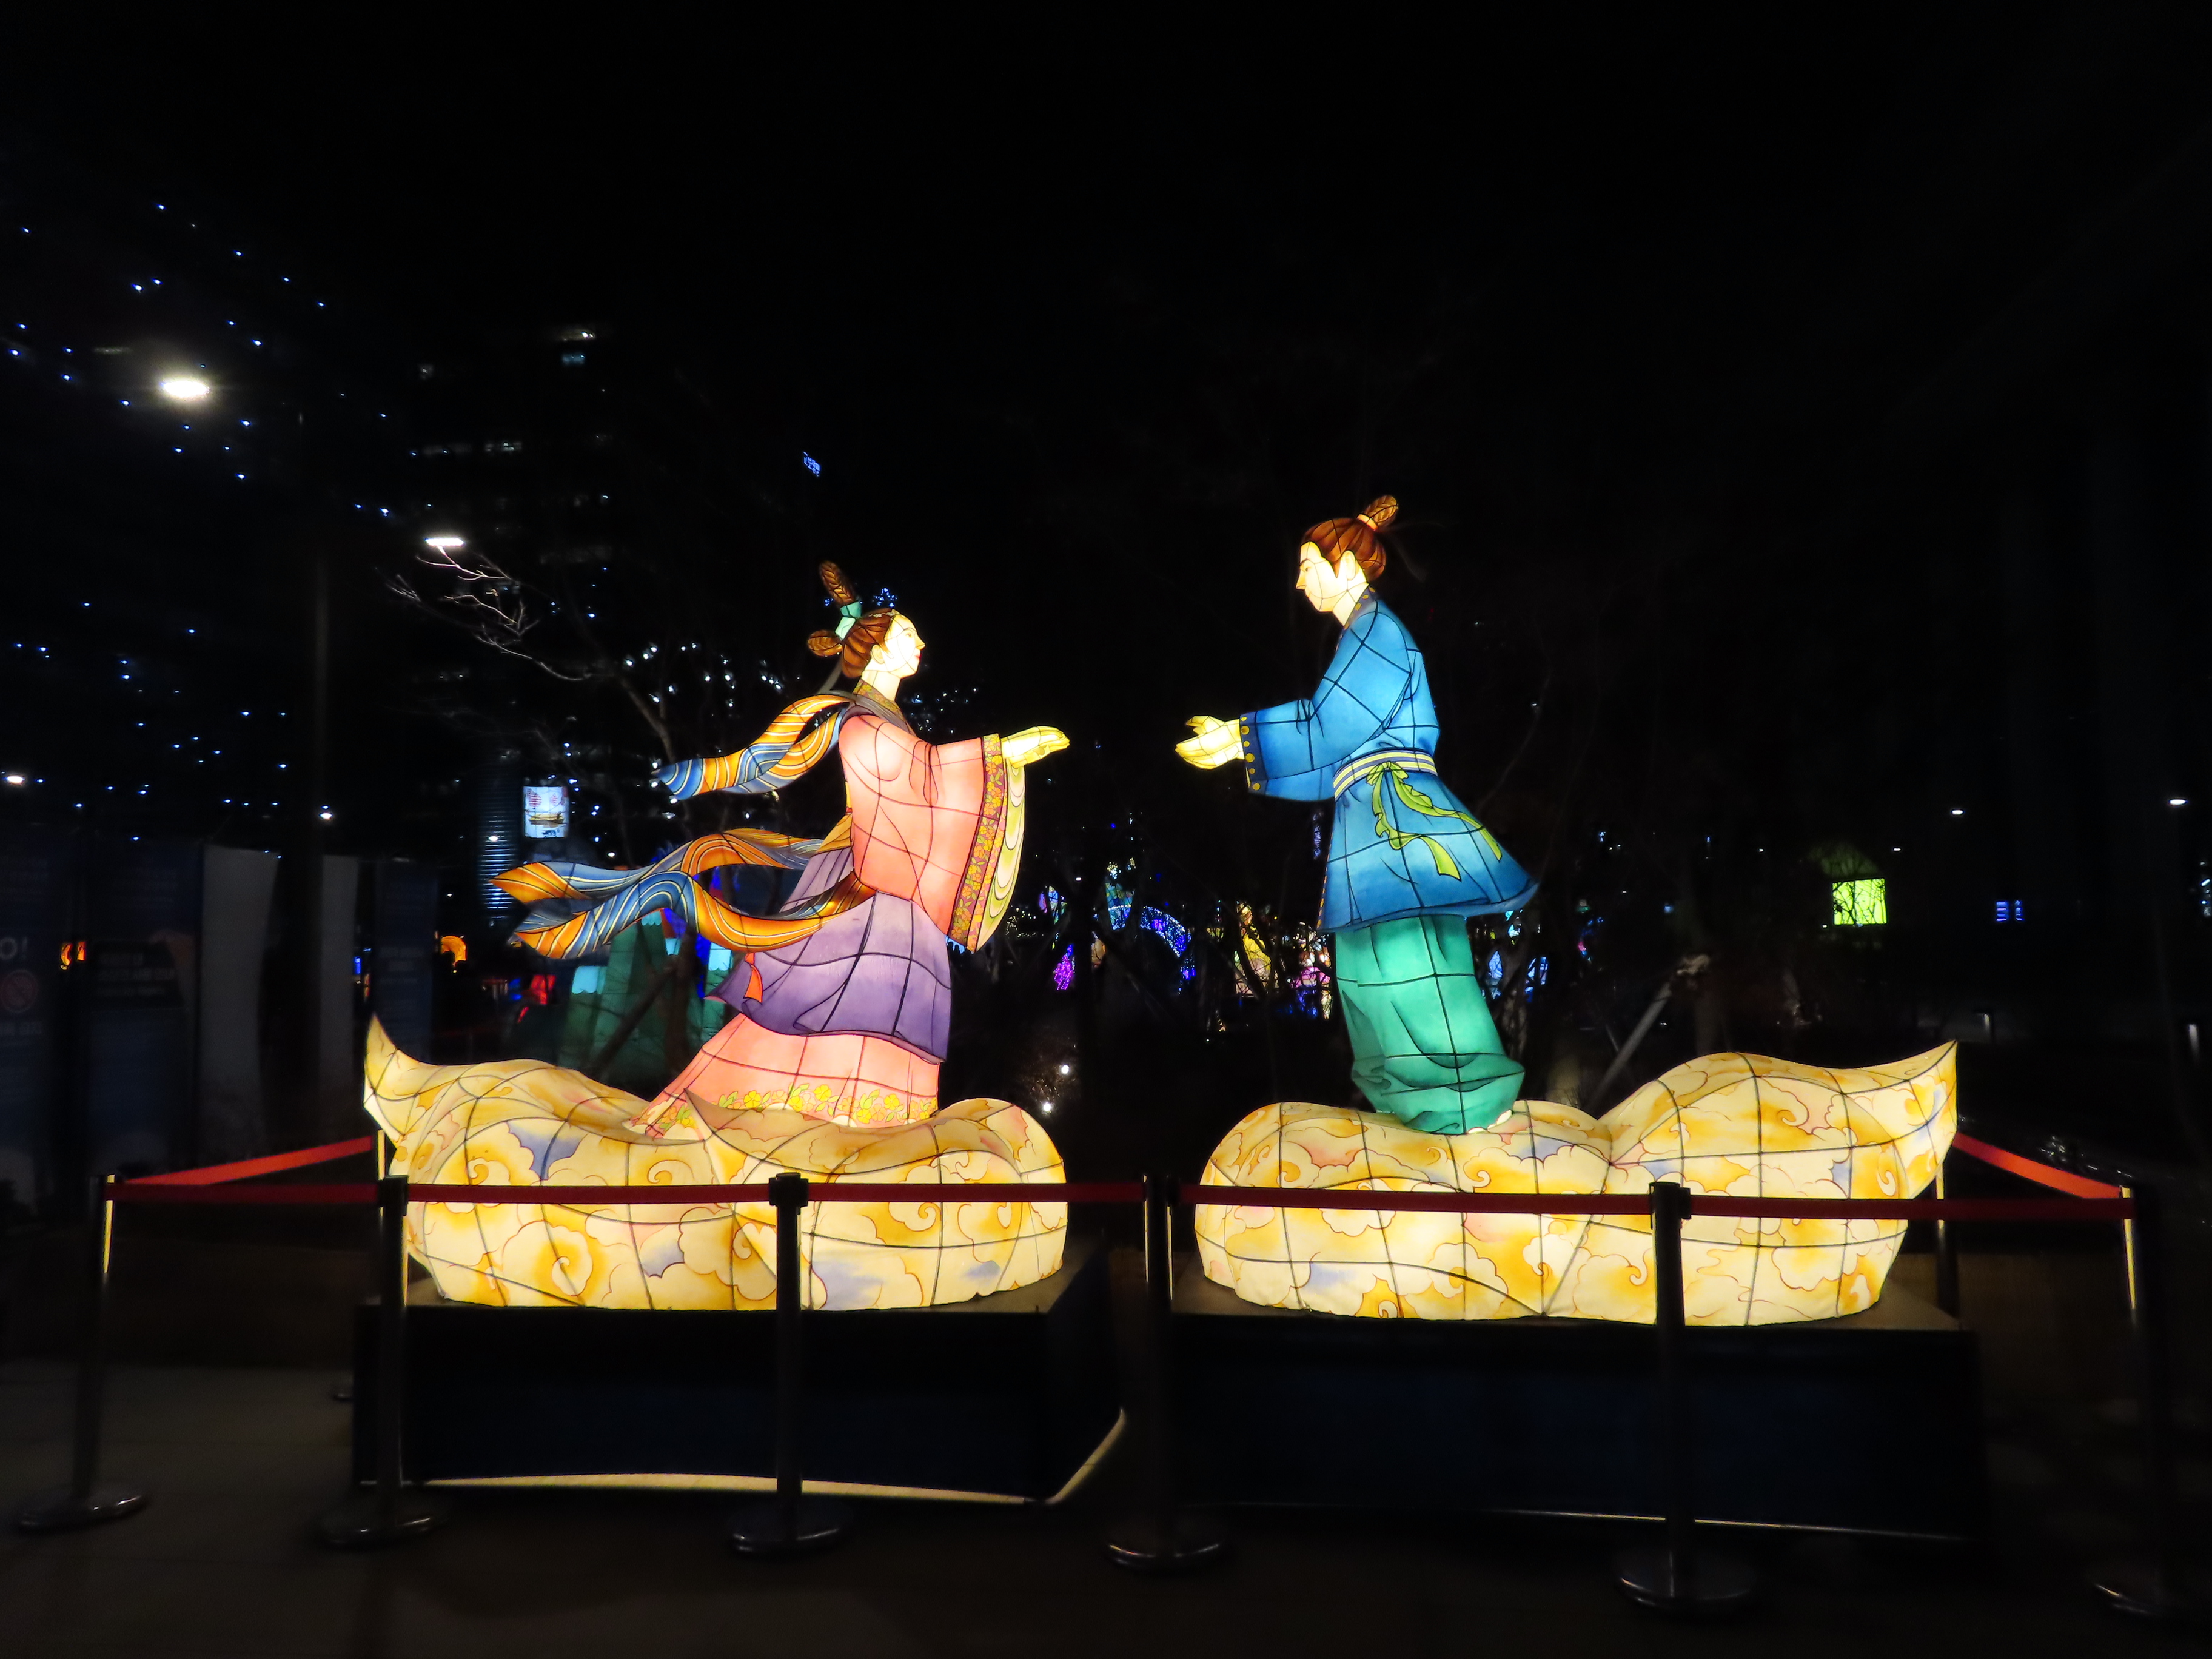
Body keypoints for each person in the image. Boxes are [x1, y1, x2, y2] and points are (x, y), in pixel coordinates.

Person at [501, 562, 1068, 1133]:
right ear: (876, 648)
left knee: (885, 999)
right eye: (907, 634)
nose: (920, 643)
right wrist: (1002, 753)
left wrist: (995, 756)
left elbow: (921, 775)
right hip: (865, 880)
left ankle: (869, 1124)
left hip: (888, 885)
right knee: (830, 996)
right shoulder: (861, 722)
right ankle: (780, 1124)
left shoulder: (888, 718)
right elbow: (913, 776)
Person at [1176, 497, 1534, 1133]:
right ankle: (1408, 1102)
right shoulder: (1360, 635)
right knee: (1368, 968)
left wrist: (1239, 735)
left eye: (1308, 566)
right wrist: (1240, 747)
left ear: (1347, 567)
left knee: (1409, 958)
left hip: (1398, 815)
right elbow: (1331, 756)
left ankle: (1465, 1101)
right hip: (1368, 817)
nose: (1300, 582)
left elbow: (1332, 725)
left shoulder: (1378, 632)